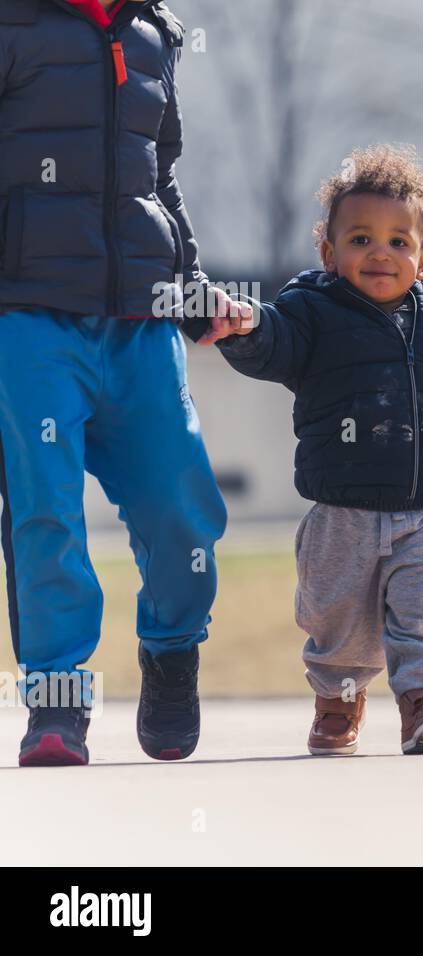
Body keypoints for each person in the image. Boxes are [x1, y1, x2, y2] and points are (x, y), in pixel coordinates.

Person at [0, 0, 252, 766]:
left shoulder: (155, 33)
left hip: (142, 316)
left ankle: (171, 652)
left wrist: (192, 282)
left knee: (183, 510)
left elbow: (156, 179)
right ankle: (57, 702)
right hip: (29, 313)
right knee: (44, 511)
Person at [210, 144, 423, 755]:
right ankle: (339, 700)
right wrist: (246, 327)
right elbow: (275, 342)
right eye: (361, 238)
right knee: (338, 623)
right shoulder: (312, 312)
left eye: (399, 242)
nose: (380, 252)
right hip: (341, 510)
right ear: (330, 253)